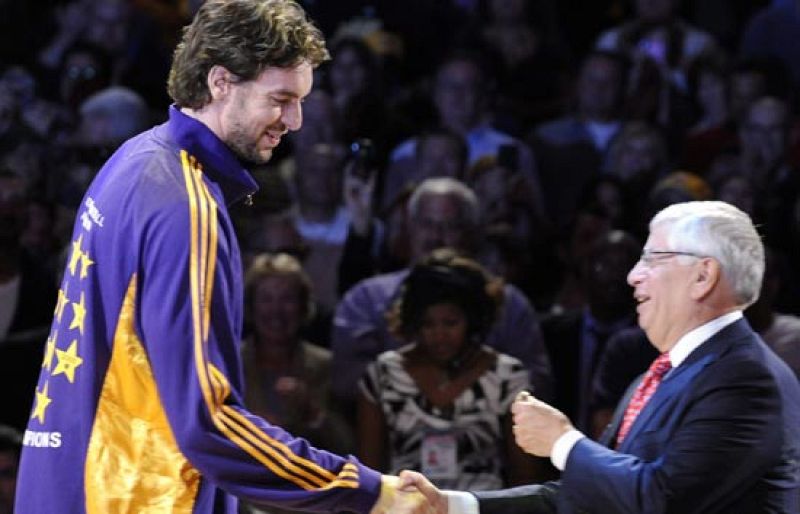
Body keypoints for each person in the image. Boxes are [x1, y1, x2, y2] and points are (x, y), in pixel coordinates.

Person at [13, 2, 424, 513]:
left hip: (67, 484)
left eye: (300, 102)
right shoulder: (186, 205)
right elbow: (208, 423)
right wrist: (365, 491)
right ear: (221, 82)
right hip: (132, 496)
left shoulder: (134, 159)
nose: (294, 121)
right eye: (281, 99)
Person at [398, 200, 800, 513]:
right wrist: (451, 505)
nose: (632, 275)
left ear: (703, 276)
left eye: (653, 258)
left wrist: (563, 442)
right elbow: (588, 497)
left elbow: (661, 502)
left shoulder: (746, 378)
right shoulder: (657, 376)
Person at [357, 249, 544, 490]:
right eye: (428, 324)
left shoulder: (507, 377)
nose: (439, 335)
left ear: (473, 319)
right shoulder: (383, 374)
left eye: (450, 323)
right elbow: (369, 475)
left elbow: (525, 479)